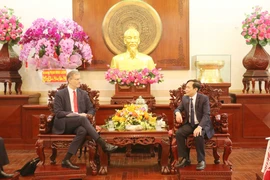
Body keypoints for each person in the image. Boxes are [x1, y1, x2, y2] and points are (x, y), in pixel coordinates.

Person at [52, 70, 118, 169]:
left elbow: (91, 109)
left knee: (82, 130)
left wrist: (88, 115)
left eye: (80, 79)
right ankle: (103, 144)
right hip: (64, 123)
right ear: (69, 80)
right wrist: (76, 114)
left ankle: (66, 159)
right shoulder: (60, 94)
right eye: (77, 79)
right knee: (81, 119)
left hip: (79, 124)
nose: (79, 81)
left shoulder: (83, 93)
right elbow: (58, 112)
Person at [174, 79, 214, 170]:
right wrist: (177, 113)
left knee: (198, 134)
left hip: (202, 124)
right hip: (190, 124)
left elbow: (206, 115)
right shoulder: (185, 98)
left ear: (195, 89)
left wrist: (200, 127)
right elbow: (178, 109)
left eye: (188, 87)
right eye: (185, 87)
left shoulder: (204, 98)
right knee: (179, 133)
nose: (185, 89)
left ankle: (201, 160)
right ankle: (184, 159)